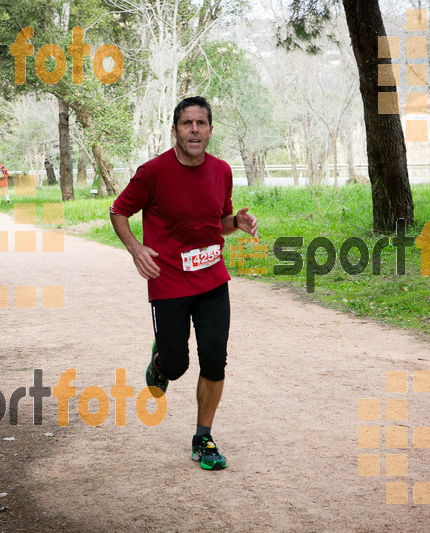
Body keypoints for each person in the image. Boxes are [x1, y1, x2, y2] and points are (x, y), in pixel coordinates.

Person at [109, 96, 258, 471]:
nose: (194, 130)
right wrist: (135, 248)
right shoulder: (153, 172)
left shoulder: (222, 170)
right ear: (175, 129)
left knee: (214, 359)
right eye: (187, 123)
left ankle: (202, 437)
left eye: (201, 123)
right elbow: (119, 210)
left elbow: (217, 221)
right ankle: (162, 358)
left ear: (209, 130)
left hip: (212, 278)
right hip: (169, 281)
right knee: (176, 368)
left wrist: (235, 224)